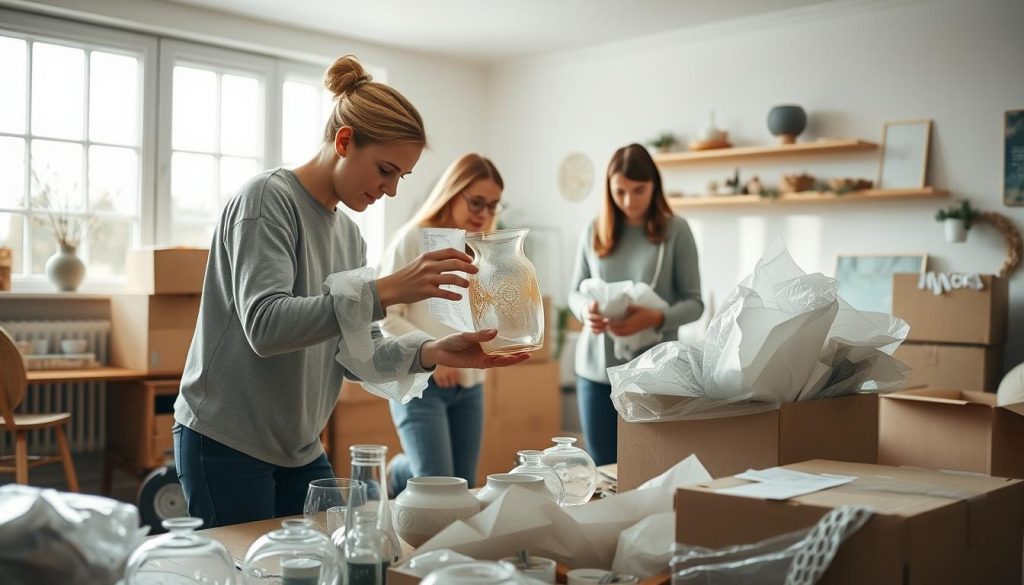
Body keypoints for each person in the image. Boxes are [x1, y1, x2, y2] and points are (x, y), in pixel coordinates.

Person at [173, 56, 527, 528]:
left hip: (299, 446)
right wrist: (385, 290)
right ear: (344, 141)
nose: (392, 189)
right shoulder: (266, 201)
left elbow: (359, 353)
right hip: (227, 439)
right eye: (386, 170)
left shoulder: (349, 237)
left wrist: (435, 351)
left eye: (400, 176)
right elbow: (265, 325)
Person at [567, 143, 703, 466]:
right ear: (609, 189)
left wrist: (656, 318)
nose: (629, 201)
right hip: (596, 373)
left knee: (649, 465)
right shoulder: (593, 230)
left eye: (639, 190)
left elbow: (695, 304)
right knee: (603, 468)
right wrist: (586, 311)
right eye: (620, 192)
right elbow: (574, 293)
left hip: (654, 374)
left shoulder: (676, 230)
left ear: (654, 186)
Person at [378, 153, 505, 494]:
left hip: (469, 385)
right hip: (420, 381)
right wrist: (432, 353)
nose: (484, 214)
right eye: (476, 202)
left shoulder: (481, 251)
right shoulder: (413, 239)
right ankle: (398, 474)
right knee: (438, 487)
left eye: (493, 206)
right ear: (453, 191)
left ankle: (404, 471)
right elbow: (383, 315)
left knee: (463, 488)